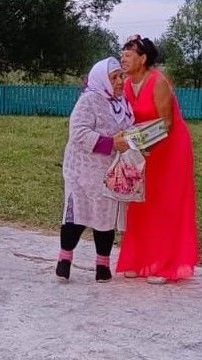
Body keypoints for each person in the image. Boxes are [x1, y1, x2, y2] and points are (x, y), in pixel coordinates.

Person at [116, 35, 199, 284]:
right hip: (143, 148)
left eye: (129, 54)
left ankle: (163, 264)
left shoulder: (159, 81)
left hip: (169, 149)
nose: (124, 58)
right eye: (123, 54)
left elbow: (167, 123)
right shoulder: (128, 84)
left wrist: (136, 144)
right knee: (139, 201)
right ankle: (138, 260)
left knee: (165, 203)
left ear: (143, 59)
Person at [56, 57, 134, 283]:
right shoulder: (89, 100)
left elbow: (127, 130)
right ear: (102, 79)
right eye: (115, 77)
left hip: (107, 172)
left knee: (105, 217)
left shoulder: (121, 103)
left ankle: (102, 266)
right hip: (81, 170)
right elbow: (78, 133)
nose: (121, 81)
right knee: (77, 214)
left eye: (121, 76)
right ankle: (64, 260)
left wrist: (133, 142)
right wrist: (110, 143)